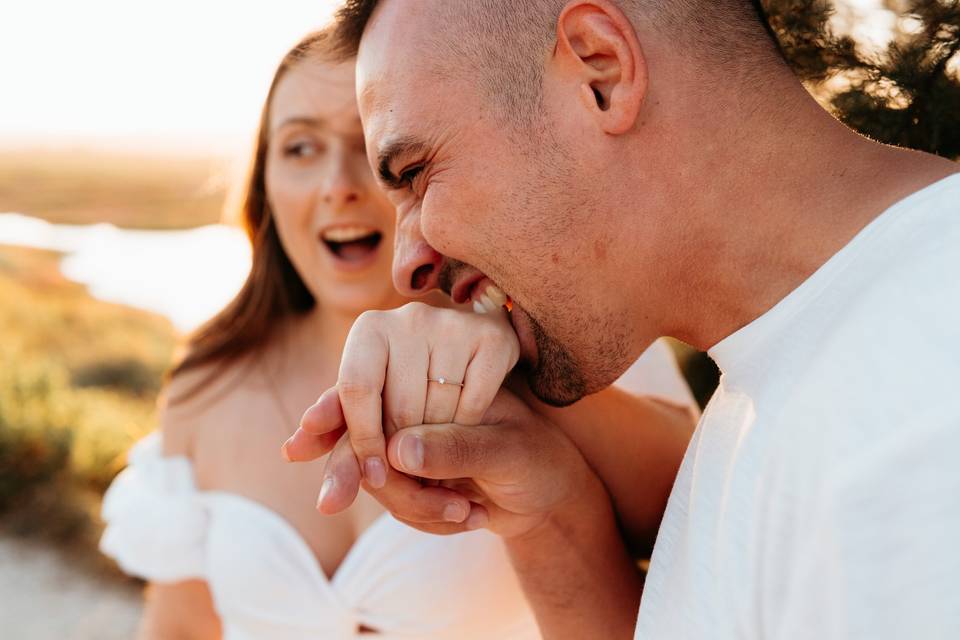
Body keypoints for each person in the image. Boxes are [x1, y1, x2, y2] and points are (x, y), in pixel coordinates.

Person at [284, 1, 960, 639]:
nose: (409, 269)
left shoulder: (920, 418)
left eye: (416, 171)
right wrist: (545, 506)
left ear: (600, 69)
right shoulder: (781, 380)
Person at [100, 27, 696, 640]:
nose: (338, 184)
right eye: (300, 148)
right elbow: (179, 626)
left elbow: (694, 515)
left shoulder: (560, 331)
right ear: (265, 186)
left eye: (368, 142)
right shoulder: (208, 384)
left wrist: (517, 379)